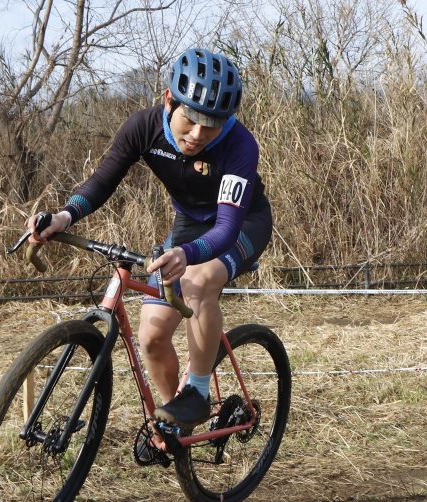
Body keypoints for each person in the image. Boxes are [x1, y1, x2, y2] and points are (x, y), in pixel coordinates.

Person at [28, 48, 272, 433]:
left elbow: (225, 228)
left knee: (197, 282)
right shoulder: (143, 127)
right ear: (168, 100)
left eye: (210, 126)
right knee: (152, 336)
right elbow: (101, 182)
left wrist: (186, 254)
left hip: (242, 225)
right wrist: (63, 216)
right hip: (190, 224)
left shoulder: (240, 145)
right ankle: (174, 420)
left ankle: (198, 392)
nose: (197, 135)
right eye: (190, 120)